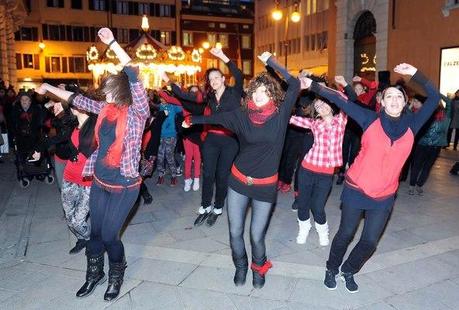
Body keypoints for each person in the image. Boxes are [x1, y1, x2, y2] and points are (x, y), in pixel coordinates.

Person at [300, 63, 440, 293]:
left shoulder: (413, 125)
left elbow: (434, 97)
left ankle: (349, 270)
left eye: (399, 96)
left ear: (405, 102)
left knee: (370, 242)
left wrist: (415, 73)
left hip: (384, 195)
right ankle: (331, 268)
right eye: (389, 96)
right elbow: (340, 100)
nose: (394, 100)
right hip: (356, 189)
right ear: (382, 102)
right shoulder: (370, 119)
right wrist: (314, 86)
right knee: (345, 234)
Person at [35, 28, 149, 301]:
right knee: (95, 233)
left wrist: (111, 42)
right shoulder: (104, 110)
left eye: (108, 90)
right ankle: (93, 275)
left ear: (120, 91)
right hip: (99, 180)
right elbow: (78, 99)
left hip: (125, 186)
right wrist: (49, 88)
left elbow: (132, 70)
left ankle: (115, 276)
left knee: (111, 235)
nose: (103, 94)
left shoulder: (138, 112)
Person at [183, 52, 300, 289]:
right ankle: (241, 266)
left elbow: (295, 83)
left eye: (264, 91)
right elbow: (218, 117)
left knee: (256, 236)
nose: (258, 95)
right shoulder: (241, 115)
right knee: (235, 231)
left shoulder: (281, 114)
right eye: (255, 90)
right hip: (237, 181)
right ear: (250, 93)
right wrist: (191, 120)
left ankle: (259, 267)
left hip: (265, 186)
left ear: (272, 95)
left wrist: (271, 63)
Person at [162, 47, 242, 227]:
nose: (213, 81)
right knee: (208, 174)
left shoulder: (234, 93)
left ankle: (218, 206)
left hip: (230, 140)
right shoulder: (208, 97)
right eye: (210, 79)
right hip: (212, 139)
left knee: (222, 175)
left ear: (223, 79)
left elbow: (238, 73)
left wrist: (222, 56)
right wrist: (169, 81)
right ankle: (205, 205)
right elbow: (184, 95)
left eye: (216, 77)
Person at [34, 101, 97, 254]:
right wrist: (39, 150)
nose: (74, 106)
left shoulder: (96, 125)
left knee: (77, 220)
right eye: (72, 105)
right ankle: (83, 239)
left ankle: (90, 240)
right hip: (70, 175)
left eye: (77, 104)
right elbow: (54, 139)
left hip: (88, 179)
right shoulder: (71, 125)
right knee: (69, 216)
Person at [289, 83, 347, 247]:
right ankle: (304, 228)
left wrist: (334, 87)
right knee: (302, 202)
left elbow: (344, 100)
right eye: (318, 106)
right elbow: (294, 119)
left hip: (326, 173)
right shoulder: (315, 124)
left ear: (330, 104)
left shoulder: (341, 121)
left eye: (324, 103)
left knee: (317, 206)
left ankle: (323, 231)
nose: (321, 107)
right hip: (307, 168)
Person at [408, 94, 452, 194]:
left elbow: (449, 102)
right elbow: (409, 114)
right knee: (416, 165)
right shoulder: (425, 113)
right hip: (422, 144)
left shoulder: (446, 115)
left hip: (435, 147)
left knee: (427, 167)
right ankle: (411, 185)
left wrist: (437, 94)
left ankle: (419, 185)